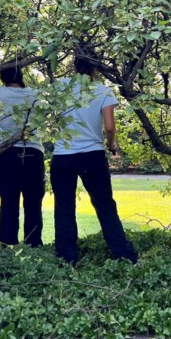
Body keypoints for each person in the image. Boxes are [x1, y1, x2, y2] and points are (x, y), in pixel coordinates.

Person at [50, 55, 137, 265]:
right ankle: (122, 255)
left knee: (64, 206)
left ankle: (66, 257)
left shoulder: (60, 87)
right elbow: (109, 127)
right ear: (95, 68)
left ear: (74, 65)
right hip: (92, 156)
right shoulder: (102, 90)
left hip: (63, 154)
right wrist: (111, 144)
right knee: (105, 204)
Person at [0, 66, 45, 247]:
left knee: (8, 203)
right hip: (32, 153)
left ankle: (7, 244)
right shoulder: (35, 94)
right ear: (20, 76)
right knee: (33, 204)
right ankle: (33, 245)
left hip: (5, 153)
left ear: (2, 77)